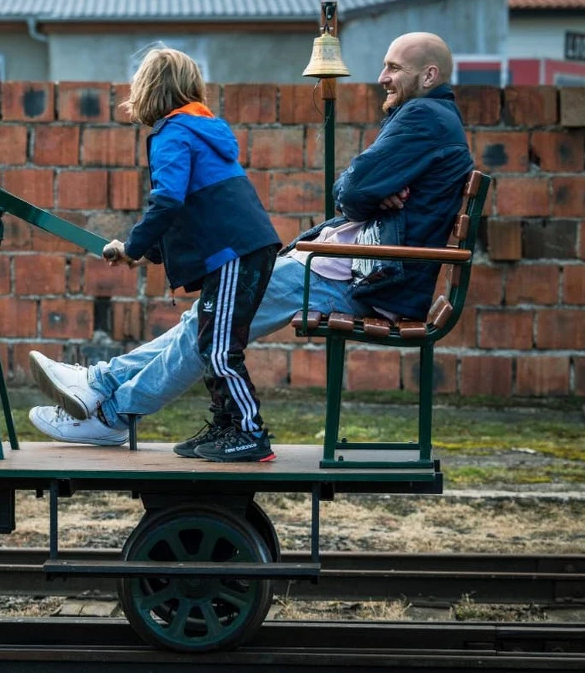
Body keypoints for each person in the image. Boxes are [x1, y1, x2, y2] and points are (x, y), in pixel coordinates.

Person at [28, 32, 475, 449]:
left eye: (394, 68)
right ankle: (102, 387)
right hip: (346, 265)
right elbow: (358, 192)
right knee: (202, 324)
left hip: (359, 274)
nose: (382, 78)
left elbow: (351, 191)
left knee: (207, 334)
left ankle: (109, 415)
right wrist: (370, 193)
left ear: (429, 75)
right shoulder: (432, 121)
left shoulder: (423, 118)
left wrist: (367, 192)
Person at [32, 48, 281, 461]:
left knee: (218, 349)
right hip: (241, 250)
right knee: (210, 343)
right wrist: (142, 252)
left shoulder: (173, 134)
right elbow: (195, 209)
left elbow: (167, 202)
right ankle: (225, 426)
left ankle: (249, 431)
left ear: (148, 90)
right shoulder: (201, 128)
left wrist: (131, 246)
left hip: (236, 252)